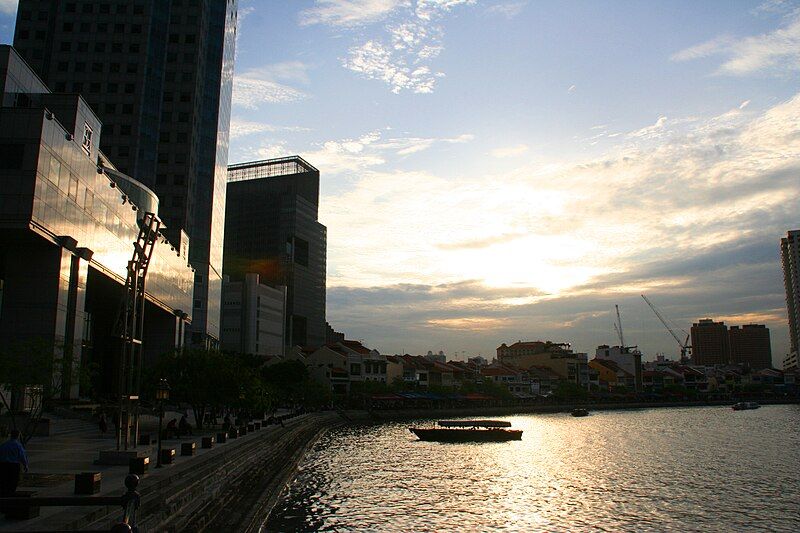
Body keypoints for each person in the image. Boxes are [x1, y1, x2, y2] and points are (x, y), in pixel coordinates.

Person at [0, 430, 29, 497]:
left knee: (4, 480)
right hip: (14, 465)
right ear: (18, 436)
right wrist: (25, 465)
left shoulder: (4, 445)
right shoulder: (18, 445)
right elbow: (22, 456)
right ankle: (10, 493)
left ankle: (4, 494)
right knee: (13, 480)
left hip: (3, 465)